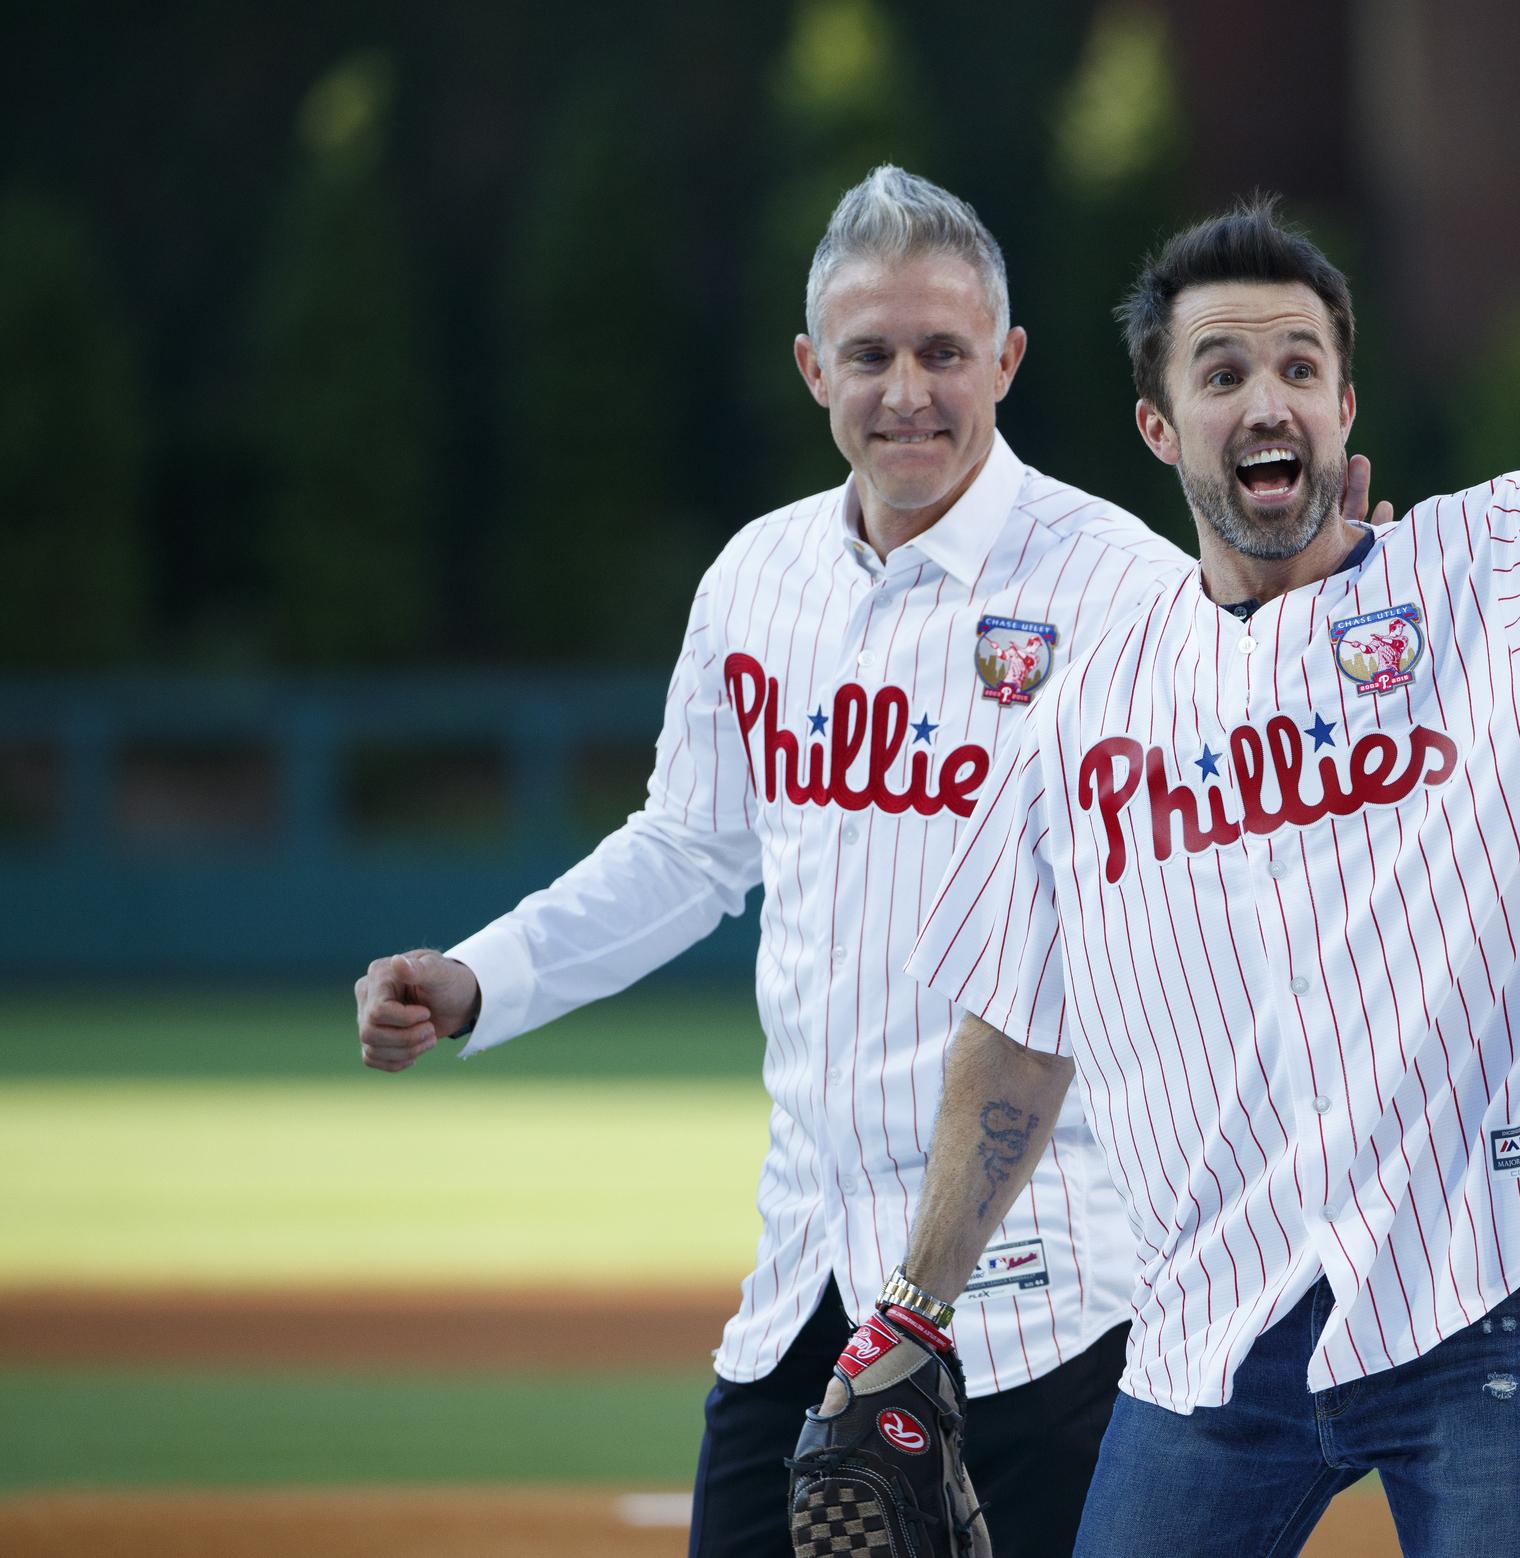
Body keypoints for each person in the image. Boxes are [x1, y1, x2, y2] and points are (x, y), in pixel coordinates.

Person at [863, 36, 1520, 1558]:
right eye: (1223, 371)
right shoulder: (1089, 702)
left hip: (1479, 1301)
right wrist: (916, 1304)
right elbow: (1019, 1027)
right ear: (1162, 428)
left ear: (1343, 401)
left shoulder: (1493, 580)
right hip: (1212, 1331)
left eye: (1299, 365)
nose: (1267, 399)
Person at [350, 166, 1215, 1558]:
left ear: (1009, 358)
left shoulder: (1119, 586)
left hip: (1040, 1301)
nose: (909, 390)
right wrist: (477, 976)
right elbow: (688, 848)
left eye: (944, 351)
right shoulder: (757, 581)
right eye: (870, 354)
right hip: (803, 1279)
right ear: (814, 368)